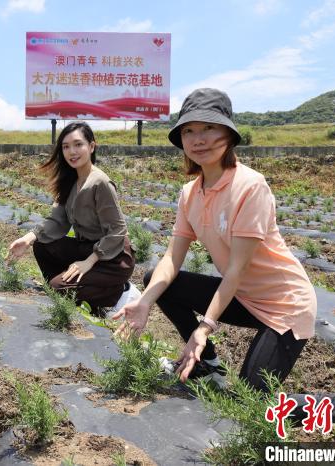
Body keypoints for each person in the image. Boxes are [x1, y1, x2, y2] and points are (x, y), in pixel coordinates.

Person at [113, 88, 316, 392]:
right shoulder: (189, 194)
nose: (199, 139)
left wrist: (204, 327)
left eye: (210, 128)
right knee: (158, 278)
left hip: (284, 305)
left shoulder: (250, 186)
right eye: (189, 131)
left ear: (229, 135)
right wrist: (145, 302)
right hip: (244, 298)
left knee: (249, 402)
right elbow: (171, 258)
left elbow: (236, 269)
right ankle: (207, 364)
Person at [6, 121, 139, 314]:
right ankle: (79, 289)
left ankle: (120, 294)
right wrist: (28, 239)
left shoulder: (99, 182)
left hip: (113, 258)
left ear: (92, 147)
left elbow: (118, 230)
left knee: (57, 287)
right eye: (66, 147)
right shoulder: (70, 181)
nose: (72, 151)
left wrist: (89, 261)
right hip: (87, 247)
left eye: (78, 144)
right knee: (43, 245)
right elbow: (57, 220)